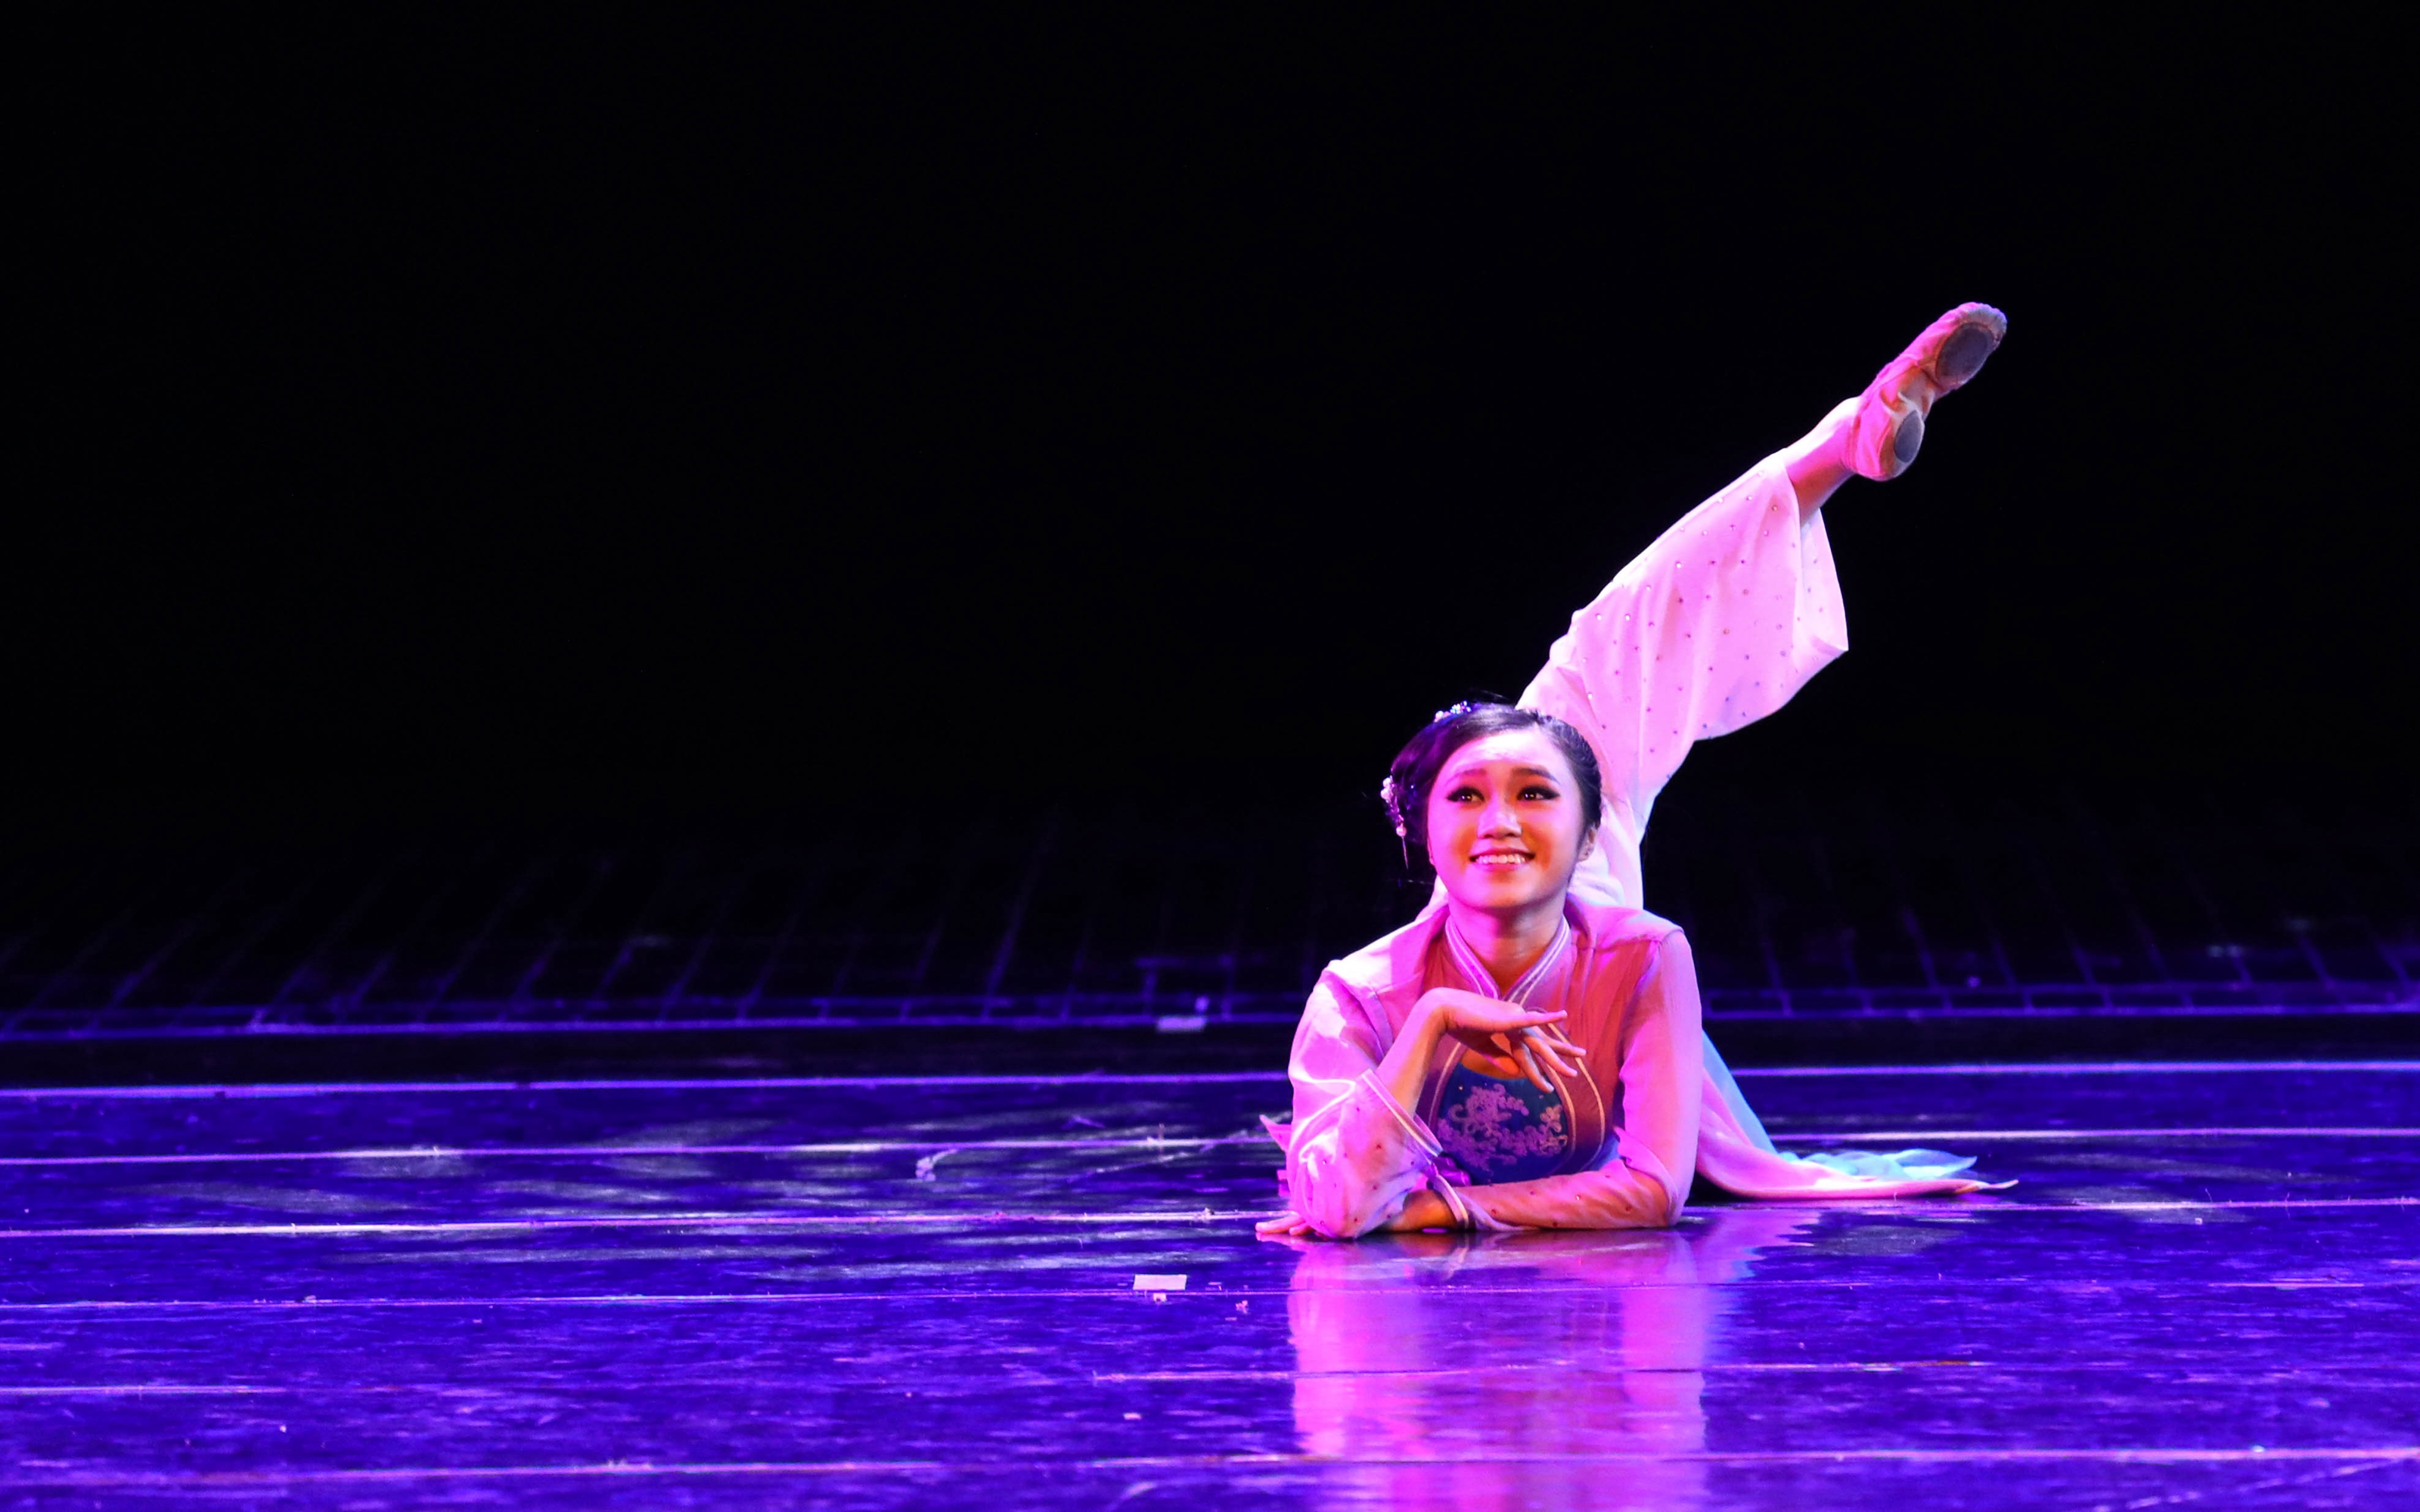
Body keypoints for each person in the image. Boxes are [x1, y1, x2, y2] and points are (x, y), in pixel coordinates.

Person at [1261, 304, 2013, 1239]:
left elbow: (1651, 1187)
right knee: (1546, 719)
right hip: (1516, 900)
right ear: (1418, 831)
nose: (1498, 818)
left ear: (1588, 832)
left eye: (1531, 799)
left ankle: (1843, 440)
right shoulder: (1365, 994)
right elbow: (1334, 1206)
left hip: (1581, 880)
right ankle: (1839, 440)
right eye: (1464, 801)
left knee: (1596, 662)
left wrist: (1442, 1209)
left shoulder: (1637, 944)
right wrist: (1430, 1025)